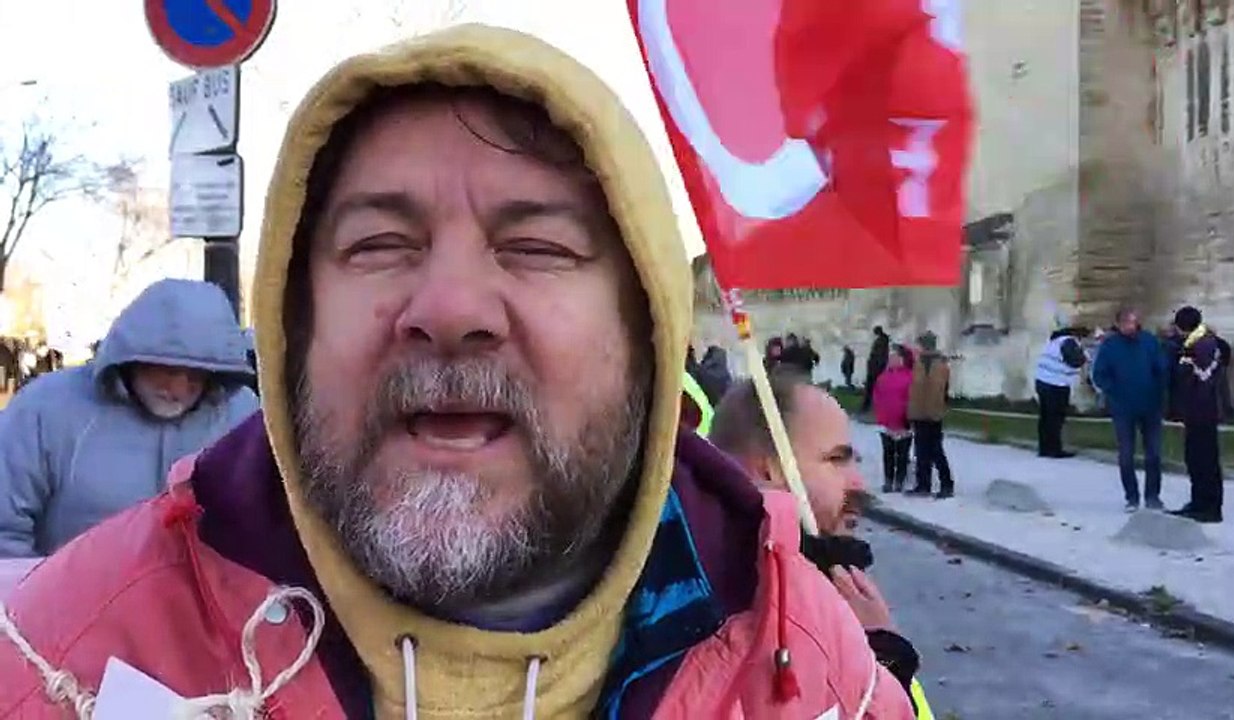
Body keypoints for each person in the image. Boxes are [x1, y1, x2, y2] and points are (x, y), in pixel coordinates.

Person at [0, 27, 913, 719]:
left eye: (538, 245)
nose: (447, 307)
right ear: (292, 327)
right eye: (378, 243)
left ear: (648, 333)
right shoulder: (61, 662)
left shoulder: (808, 665)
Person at [709, 372, 931, 719]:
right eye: (837, 459)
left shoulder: (813, 587)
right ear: (769, 472)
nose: (858, 483)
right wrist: (882, 655)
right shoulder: (754, 618)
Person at [0, 278, 258, 558]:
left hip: (203, 586)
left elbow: (264, 524)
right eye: (168, 370)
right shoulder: (46, 408)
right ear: (132, 358)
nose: (179, 389)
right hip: (70, 584)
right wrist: (34, 585)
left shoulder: (239, 415)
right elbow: (5, 529)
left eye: (197, 375)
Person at [1092, 309, 1169, 512]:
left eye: (1133, 322)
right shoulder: (1110, 346)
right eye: (1126, 322)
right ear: (1118, 324)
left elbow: (1161, 368)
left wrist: (1160, 392)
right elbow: (1099, 374)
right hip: (1123, 408)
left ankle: (1153, 496)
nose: (1130, 326)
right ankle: (1132, 497)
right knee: (1126, 455)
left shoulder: (1149, 341)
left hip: (1150, 406)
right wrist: (1114, 391)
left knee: (1154, 454)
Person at [1168, 306, 1225, 523]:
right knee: (1194, 459)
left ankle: (1210, 507)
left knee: (1206, 460)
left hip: (1204, 411)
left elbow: (1204, 376)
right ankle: (1198, 502)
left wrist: (1186, 362)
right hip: (1193, 411)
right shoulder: (1192, 344)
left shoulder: (1204, 345)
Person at [907, 332, 954, 498]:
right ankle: (923, 484)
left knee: (935, 451)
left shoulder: (940, 364)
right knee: (921, 451)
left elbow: (943, 389)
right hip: (919, 412)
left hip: (933, 412)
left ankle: (946, 484)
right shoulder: (918, 363)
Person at [1034, 326, 1088, 458]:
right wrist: (1085, 356)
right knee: (1056, 418)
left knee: (1045, 417)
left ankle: (1044, 448)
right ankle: (1054, 449)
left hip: (1042, 381)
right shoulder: (1069, 342)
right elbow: (1075, 360)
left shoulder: (1054, 341)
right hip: (1056, 383)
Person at [873, 344, 915, 493]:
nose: (891, 359)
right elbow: (877, 397)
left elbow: (913, 398)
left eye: (895, 357)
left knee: (902, 454)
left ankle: (899, 480)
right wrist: (880, 414)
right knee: (888, 453)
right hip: (887, 422)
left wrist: (909, 415)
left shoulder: (910, 377)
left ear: (903, 359)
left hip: (903, 421)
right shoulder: (883, 377)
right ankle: (888, 480)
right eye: (890, 357)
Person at [862, 325, 890, 413]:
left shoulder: (881, 341)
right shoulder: (882, 340)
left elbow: (880, 356)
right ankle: (869, 406)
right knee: (873, 388)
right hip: (875, 367)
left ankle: (867, 407)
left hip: (875, 368)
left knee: (871, 387)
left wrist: (874, 366)